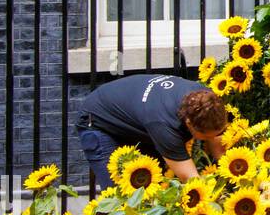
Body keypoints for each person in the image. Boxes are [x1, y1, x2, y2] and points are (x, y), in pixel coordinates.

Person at [75, 73, 229, 187]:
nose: (209, 139)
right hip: (98, 121)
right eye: (204, 137)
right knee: (118, 197)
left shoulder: (207, 100)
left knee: (152, 184)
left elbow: (219, 148)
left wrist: (229, 177)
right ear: (189, 124)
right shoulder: (164, 124)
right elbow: (191, 180)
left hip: (136, 117)